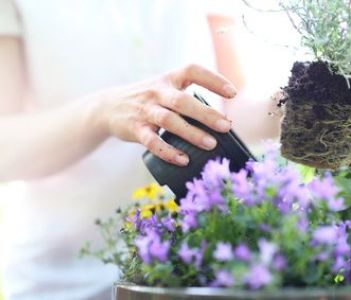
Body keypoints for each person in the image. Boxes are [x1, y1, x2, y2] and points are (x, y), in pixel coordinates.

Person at [0, 1, 283, 299]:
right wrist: (102, 111)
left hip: (193, 274)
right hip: (67, 282)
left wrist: (291, 105)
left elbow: (227, 107)